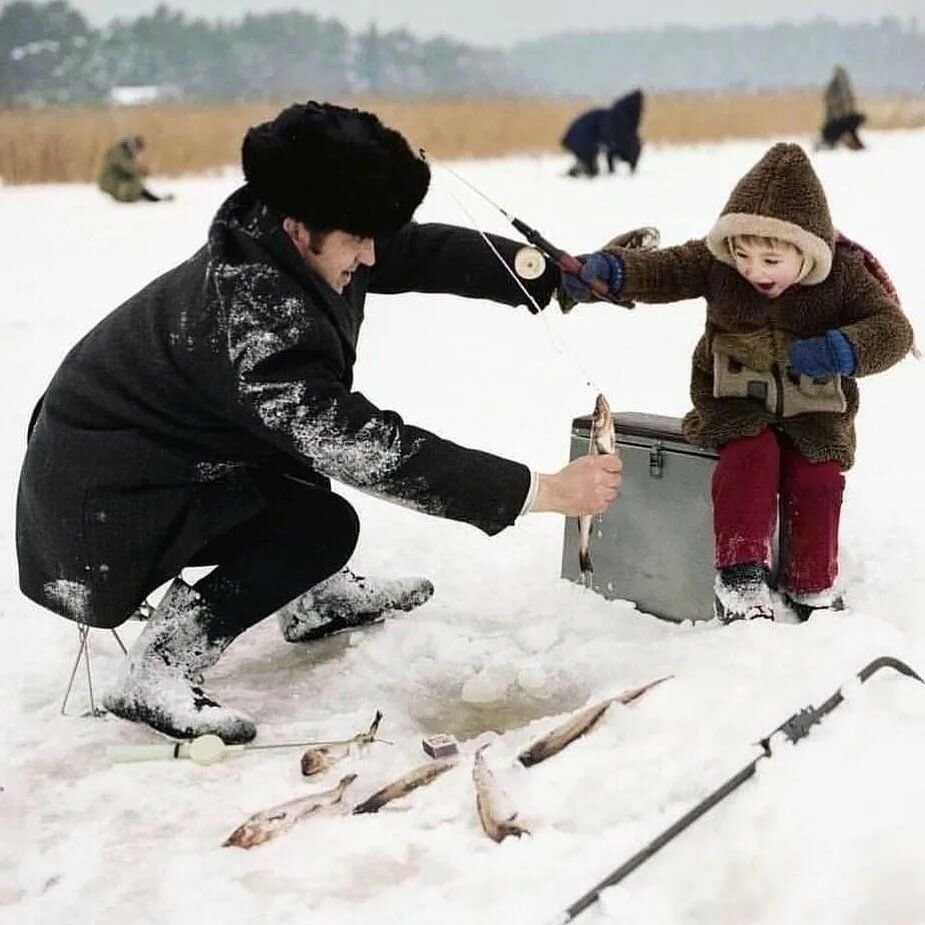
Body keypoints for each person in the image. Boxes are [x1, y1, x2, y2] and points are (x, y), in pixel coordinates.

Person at [17, 101, 623, 744]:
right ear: (300, 227)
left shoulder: (293, 231)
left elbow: (411, 251)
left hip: (168, 458)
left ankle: (315, 600)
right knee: (320, 524)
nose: (369, 255)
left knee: (294, 457)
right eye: (358, 239)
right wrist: (546, 490)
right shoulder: (256, 322)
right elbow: (370, 450)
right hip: (100, 510)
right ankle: (158, 664)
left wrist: (545, 274)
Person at [560, 142, 913, 623]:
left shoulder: (844, 276)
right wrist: (615, 270)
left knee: (818, 475)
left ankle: (810, 585)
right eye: (744, 255)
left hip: (815, 410)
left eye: (770, 261)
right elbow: (664, 269)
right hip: (734, 400)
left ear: (807, 251)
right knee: (751, 457)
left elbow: (893, 330)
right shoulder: (719, 264)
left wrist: (841, 349)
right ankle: (740, 574)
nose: (753, 270)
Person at [562, 89, 644, 178]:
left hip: (577, 137)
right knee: (592, 171)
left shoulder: (612, 117)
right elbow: (608, 141)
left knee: (591, 168)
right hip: (580, 139)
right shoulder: (612, 122)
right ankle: (579, 170)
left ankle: (579, 169)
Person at [97, 135, 174, 203]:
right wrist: (144, 171)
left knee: (136, 181)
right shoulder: (118, 153)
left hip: (116, 180)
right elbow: (130, 168)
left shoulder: (123, 153)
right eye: (138, 149)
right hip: (110, 181)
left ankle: (146, 198)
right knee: (135, 179)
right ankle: (126, 197)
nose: (138, 153)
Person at [816, 66, 866, 152]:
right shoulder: (833, 87)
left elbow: (850, 102)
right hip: (834, 121)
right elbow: (829, 100)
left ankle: (855, 146)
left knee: (849, 128)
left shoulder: (846, 88)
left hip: (842, 119)